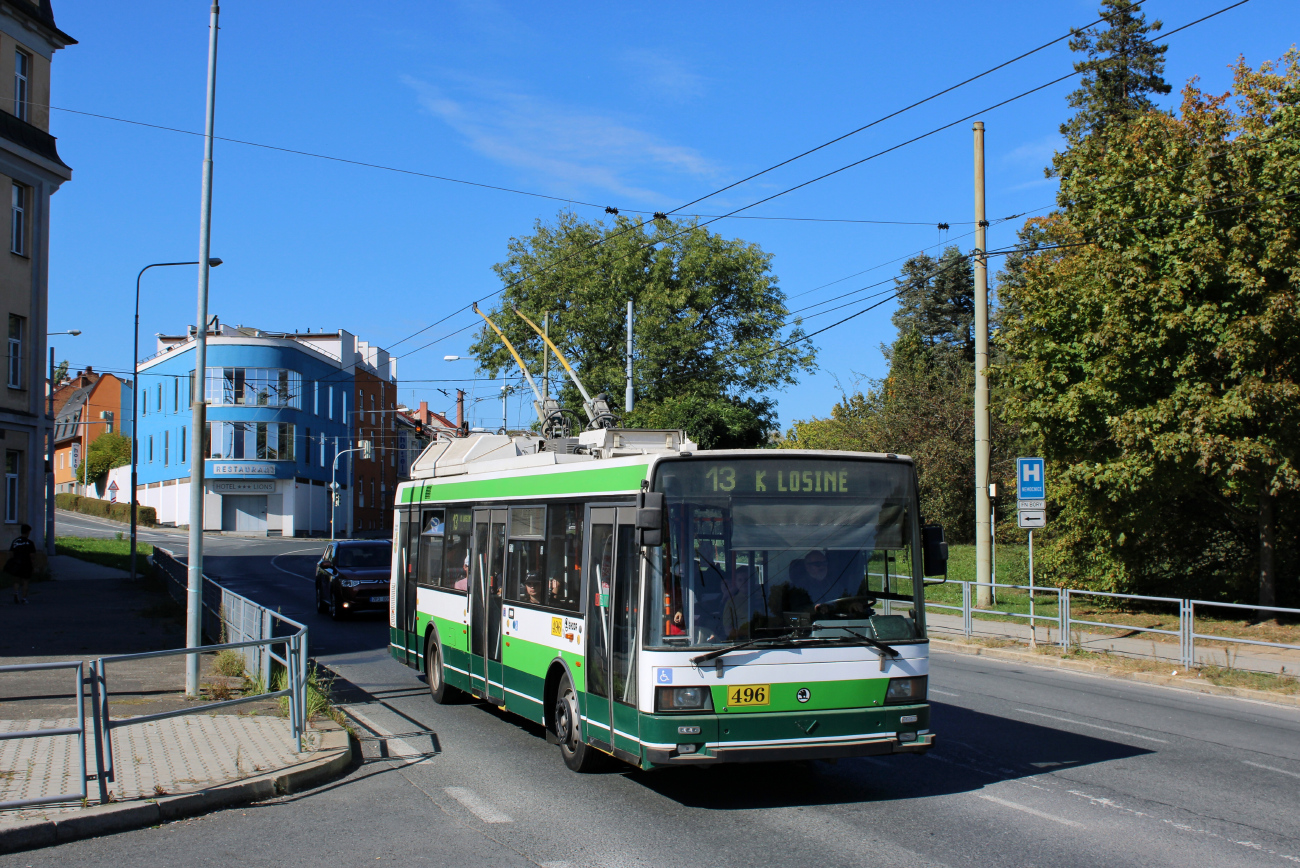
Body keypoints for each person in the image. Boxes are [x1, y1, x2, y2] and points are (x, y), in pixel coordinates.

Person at [7, 524, 35, 604]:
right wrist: (33, 564)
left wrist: (12, 562)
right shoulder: (29, 543)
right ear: (28, 532)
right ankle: (24, 598)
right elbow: (32, 555)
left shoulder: (15, 541)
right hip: (26, 563)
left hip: (16, 563)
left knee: (16, 580)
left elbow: (11, 553)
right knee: (25, 581)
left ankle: (16, 593)